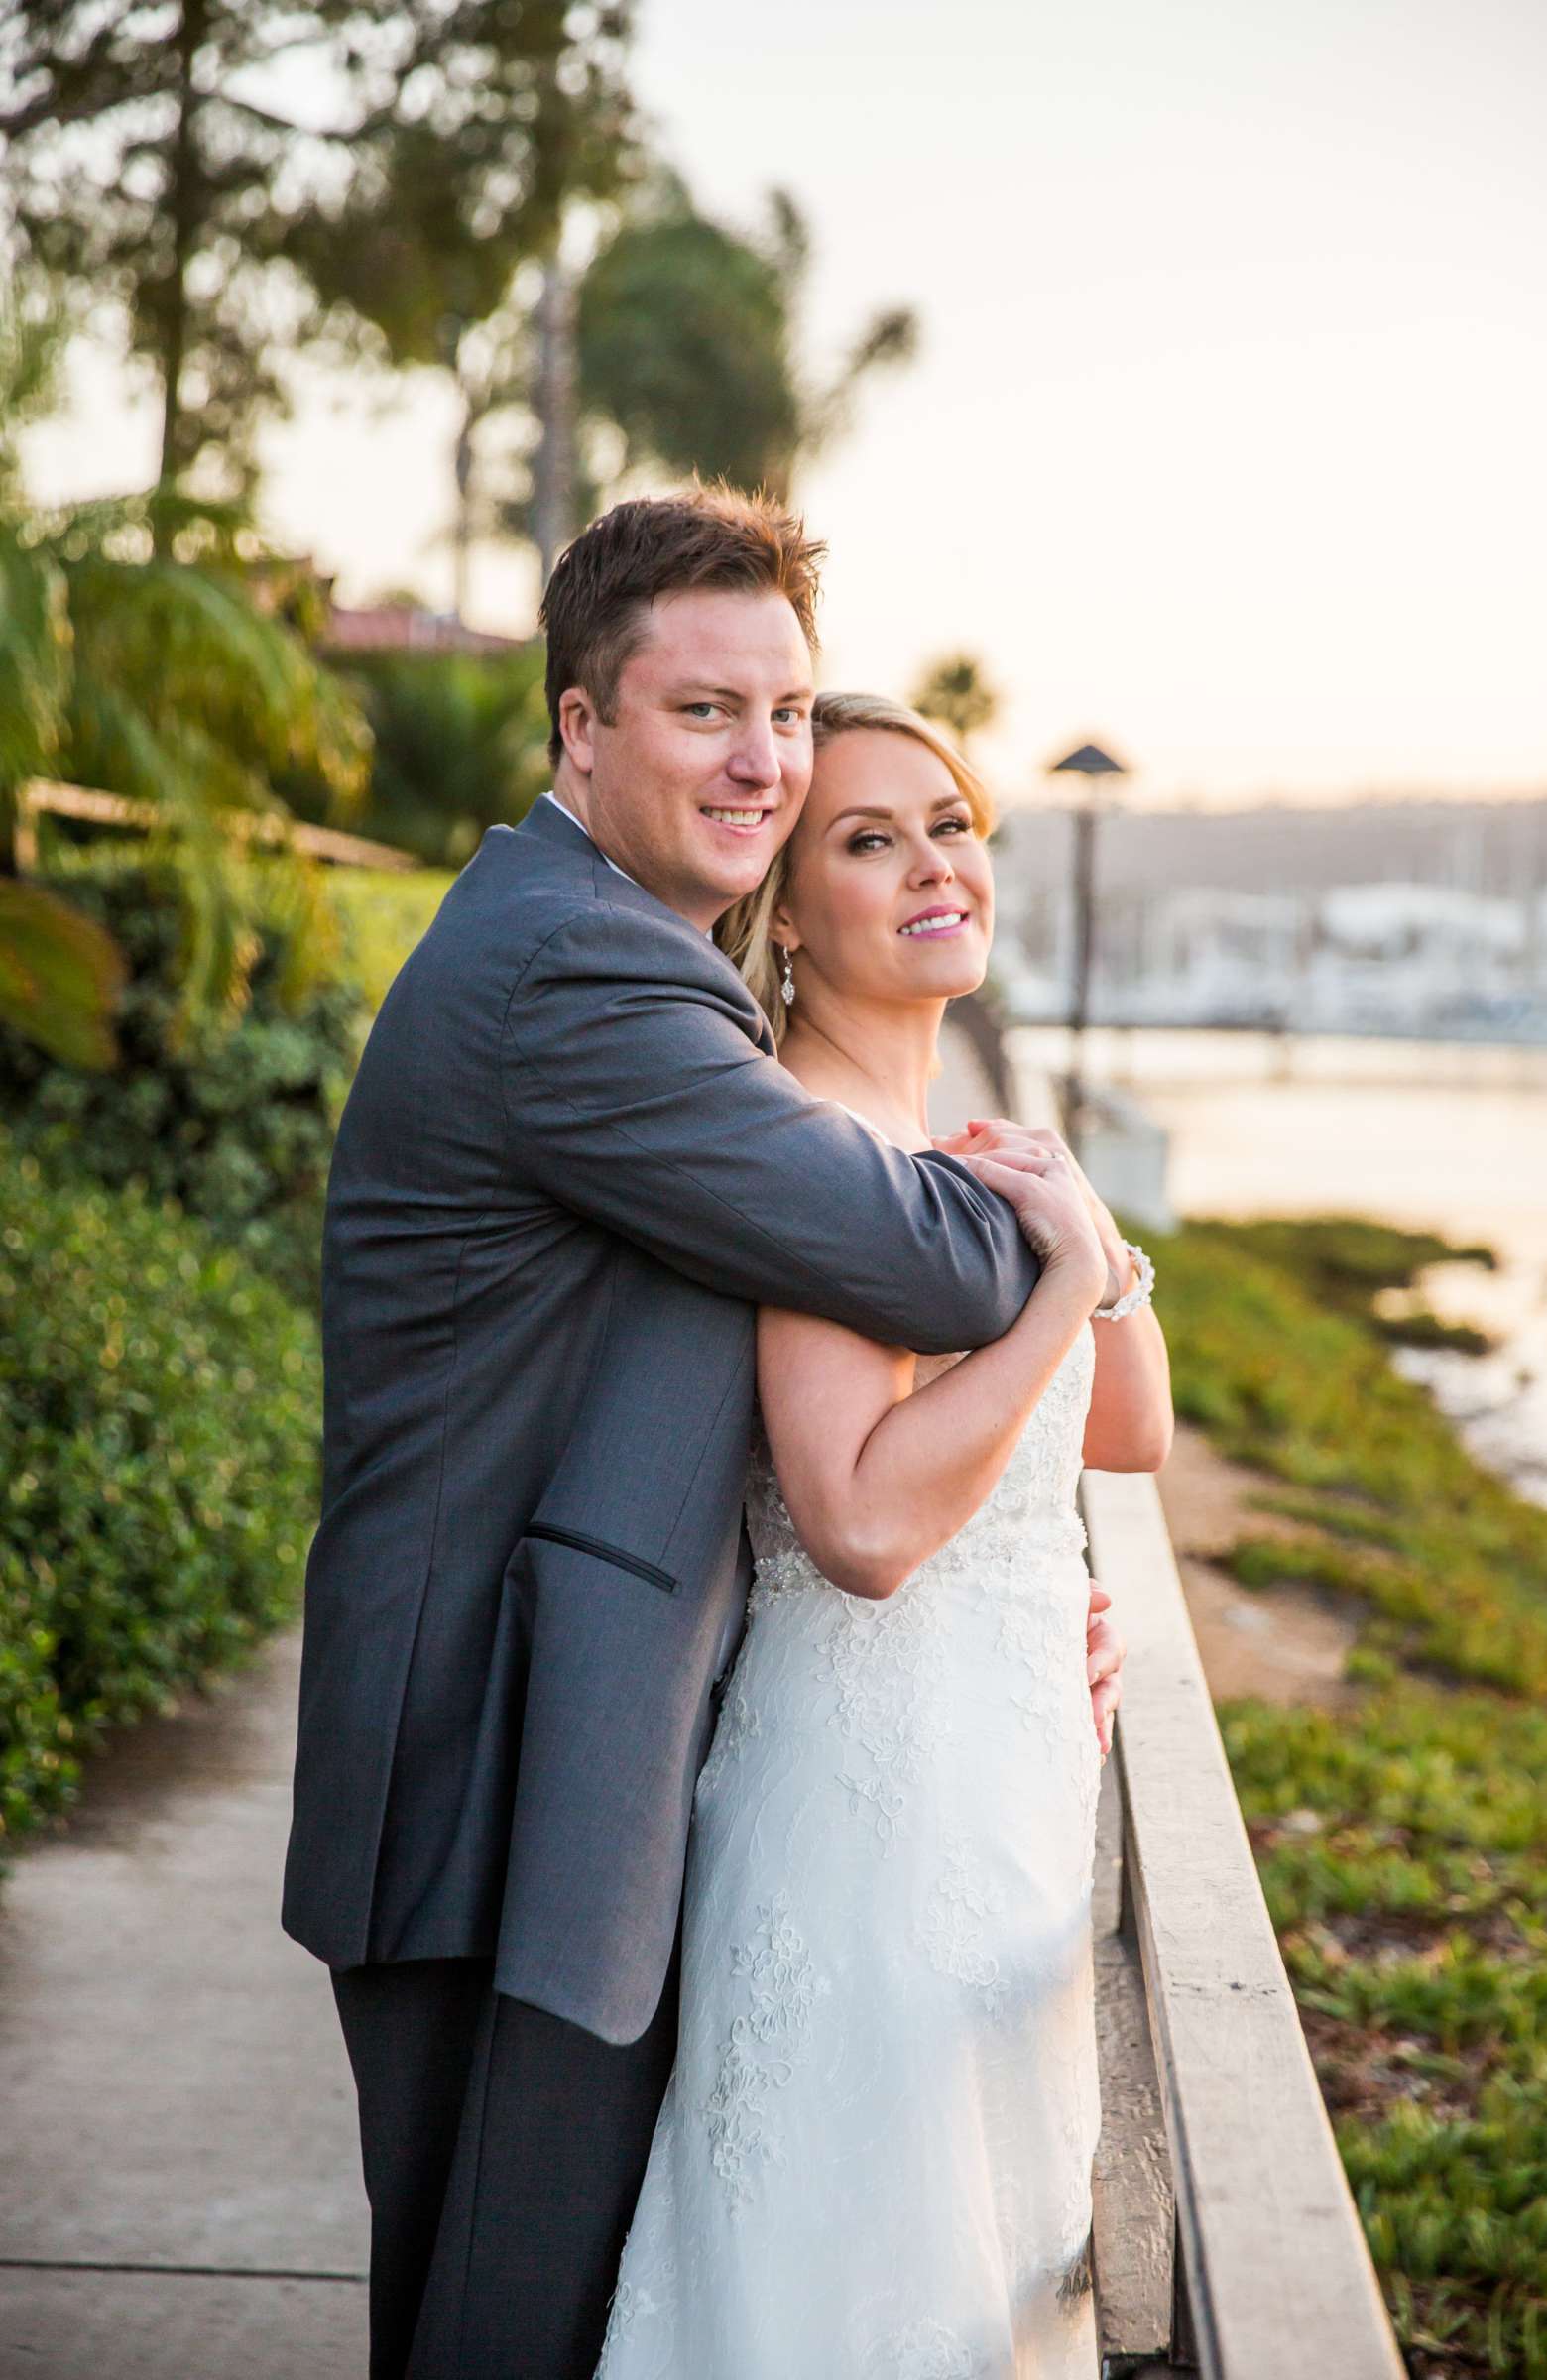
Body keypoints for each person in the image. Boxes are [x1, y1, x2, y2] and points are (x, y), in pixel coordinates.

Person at [280, 482, 1129, 2380]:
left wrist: (1008, 1591)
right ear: (582, 727)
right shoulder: (582, 974)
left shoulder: (608, 948)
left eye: (788, 713)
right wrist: (1078, 1248)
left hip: (566, 1745)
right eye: (704, 712)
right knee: (497, 2327)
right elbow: (907, 1247)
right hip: (500, 1764)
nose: (762, 761)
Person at [593, 690, 1172, 2379]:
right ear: (790, 909)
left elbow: (1124, 1432)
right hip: (867, 1817)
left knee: (990, 2274)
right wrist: (1066, 1281)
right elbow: (854, 1516)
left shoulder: (967, 1146)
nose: (935, 865)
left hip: (1009, 1795)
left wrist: (1094, 1242)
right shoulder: (811, 1150)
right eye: (869, 837)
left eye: (951, 822)